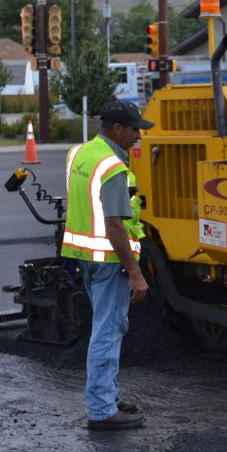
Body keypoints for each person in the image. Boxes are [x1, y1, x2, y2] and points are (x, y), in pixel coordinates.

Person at [62, 100, 155, 431]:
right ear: (117, 129)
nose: (138, 137)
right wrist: (135, 273)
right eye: (134, 130)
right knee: (107, 332)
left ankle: (107, 396)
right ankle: (101, 410)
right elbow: (114, 224)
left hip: (84, 257)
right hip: (109, 261)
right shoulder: (113, 168)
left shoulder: (80, 154)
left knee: (107, 328)